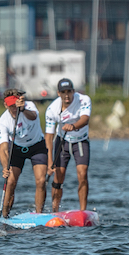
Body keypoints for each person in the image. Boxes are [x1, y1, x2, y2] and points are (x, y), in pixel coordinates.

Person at [0, 89, 48, 216]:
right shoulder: (2, 122)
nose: (14, 108)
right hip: (17, 149)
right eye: (10, 106)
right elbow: (3, 149)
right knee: (11, 182)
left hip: (37, 146)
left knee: (41, 181)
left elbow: (34, 116)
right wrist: (5, 168)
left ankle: (39, 214)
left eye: (15, 105)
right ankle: (5, 215)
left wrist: (23, 109)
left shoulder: (29, 107)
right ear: (5, 105)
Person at [44, 78, 92, 211]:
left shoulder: (84, 100)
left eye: (69, 92)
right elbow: (49, 137)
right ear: (58, 93)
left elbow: (85, 119)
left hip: (81, 140)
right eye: (63, 92)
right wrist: (49, 161)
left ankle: (83, 211)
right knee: (59, 176)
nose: (67, 95)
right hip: (62, 141)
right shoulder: (52, 109)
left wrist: (73, 126)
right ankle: (55, 211)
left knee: (82, 174)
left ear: (73, 92)